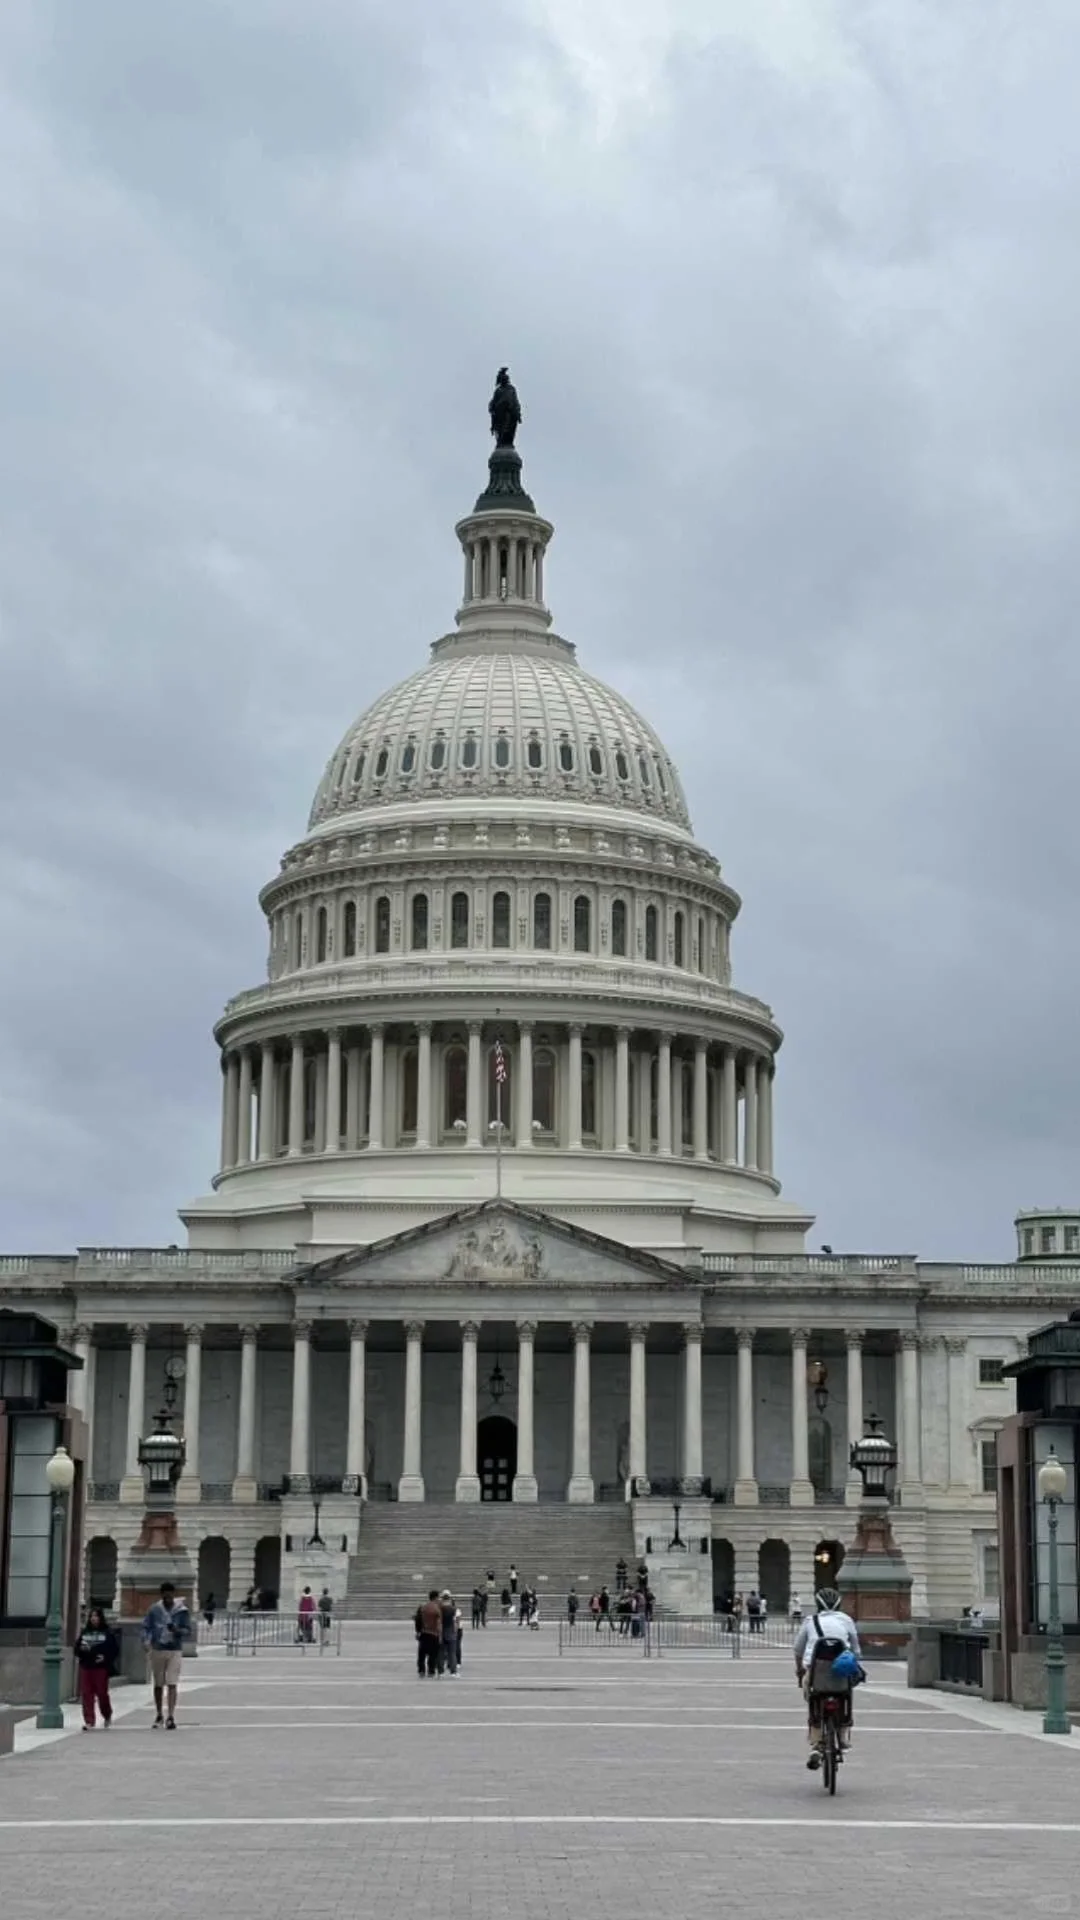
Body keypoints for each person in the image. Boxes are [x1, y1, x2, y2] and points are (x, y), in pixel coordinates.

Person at [793, 1587, 863, 1771]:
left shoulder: (810, 1621)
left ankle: (816, 1743)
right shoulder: (846, 1620)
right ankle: (843, 1735)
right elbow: (856, 1650)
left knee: (813, 1699)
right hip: (840, 1673)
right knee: (846, 1696)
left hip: (816, 1672)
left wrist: (800, 1670)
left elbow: (798, 1650)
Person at [143, 1581, 191, 1730]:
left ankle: (170, 1715)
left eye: (170, 1593)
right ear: (162, 1594)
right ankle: (159, 1713)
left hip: (174, 1649)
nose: (168, 1596)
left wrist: (177, 1630)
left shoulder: (181, 1611)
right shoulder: (154, 1610)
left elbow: (188, 1630)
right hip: (158, 1648)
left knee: (172, 1682)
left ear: (173, 1594)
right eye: (165, 1593)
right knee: (158, 1683)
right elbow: (146, 1626)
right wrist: (146, 1640)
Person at [75, 1605, 118, 1730]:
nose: (94, 1619)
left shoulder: (107, 1633)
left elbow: (114, 1650)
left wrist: (105, 1658)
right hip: (86, 1666)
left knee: (102, 1693)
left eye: (96, 1616)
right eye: (92, 1616)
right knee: (87, 1694)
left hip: (101, 1668)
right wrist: (82, 1650)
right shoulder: (85, 1633)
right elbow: (77, 1649)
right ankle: (89, 1720)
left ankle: (107, 1714)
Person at [416, 1590, 441, 1677]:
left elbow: (418, 1621)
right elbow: (439, 1622)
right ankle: (431, 1671)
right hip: (434, 1633)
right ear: (436, 1597)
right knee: (433, 1654)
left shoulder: (423, 1607)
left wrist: (418, 1632)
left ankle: (421, 1670)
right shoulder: (437, 1608)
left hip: (424, 1633)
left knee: (422, 1653)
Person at [439, 1590, 459, 1675]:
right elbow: (456, 1621)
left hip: (441, 1632)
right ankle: (453, 1670)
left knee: (441, 1652)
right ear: (450, 1598)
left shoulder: (439, 1608)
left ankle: (440, 1671)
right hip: (451, 1632)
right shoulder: (453, 1609)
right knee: (452, 1653)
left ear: (442, 1598)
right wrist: (456, 1631)